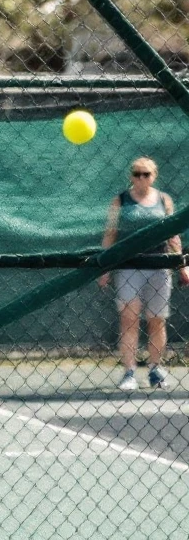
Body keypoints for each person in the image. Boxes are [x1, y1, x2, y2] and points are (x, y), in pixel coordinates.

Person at [97, 157, 189, 391]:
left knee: (157, 321)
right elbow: (110, 234)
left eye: (146, 174)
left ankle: (155, 370)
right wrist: (104, 267)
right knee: (129, 320)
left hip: (159, 268)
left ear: (154, 176)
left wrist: (182, 266)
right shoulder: (120, 201)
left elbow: (173, 236)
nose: (141, 178)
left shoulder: (163, 200)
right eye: (137, 174)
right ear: (131, 176)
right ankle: (129, 372)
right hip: (129, 268)